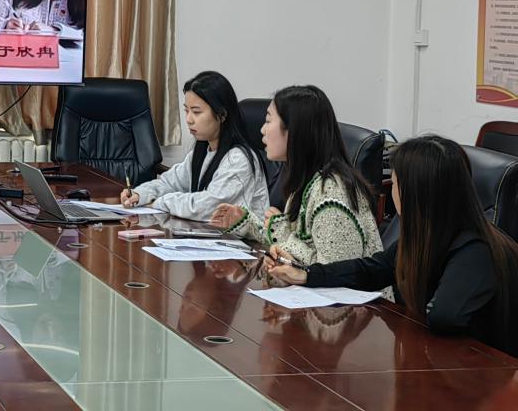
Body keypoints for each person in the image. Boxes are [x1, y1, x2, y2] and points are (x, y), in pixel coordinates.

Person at [267, 135, 518, 357]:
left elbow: (444, 316)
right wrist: (306, 275)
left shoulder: (477, 250)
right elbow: (372, 269)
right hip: (441, 362)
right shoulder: (428, 237)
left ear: (414, 194)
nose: (393, 192)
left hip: (486, 377)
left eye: (395, 184)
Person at [210, 85, 383, 267]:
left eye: (268, 121)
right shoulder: (307, 181)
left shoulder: (331, 193)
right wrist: (246, 223)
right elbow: (299, 245)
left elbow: (336, 273)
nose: (262, 130)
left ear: (294, 130)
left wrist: (281, 232)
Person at [118, 71, 269, 221]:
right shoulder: (202, 150)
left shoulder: (238, 159)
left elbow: (209, 207)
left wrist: (160, 202)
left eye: (196, 112)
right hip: (206, 233)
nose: (189, 119)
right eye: (186, 111)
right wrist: (140, 194)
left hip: (242, 237)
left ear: (222, 114)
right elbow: (170, 182)